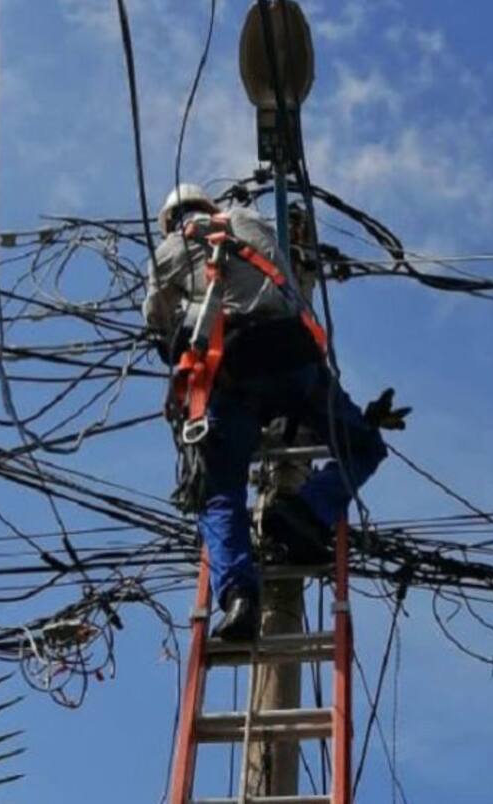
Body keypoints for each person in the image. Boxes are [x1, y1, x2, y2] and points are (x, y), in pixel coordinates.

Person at [143, 183, 390, 642]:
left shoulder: (169, 250)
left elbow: (156, 318)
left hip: (230, 375)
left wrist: (178, 327)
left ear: (170, 221)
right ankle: (308, 509)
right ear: (208, 206)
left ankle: (239, 597)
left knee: (218, 493)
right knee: (365, 446)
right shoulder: (249, 220)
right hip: (295, 363)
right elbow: (280, 277)